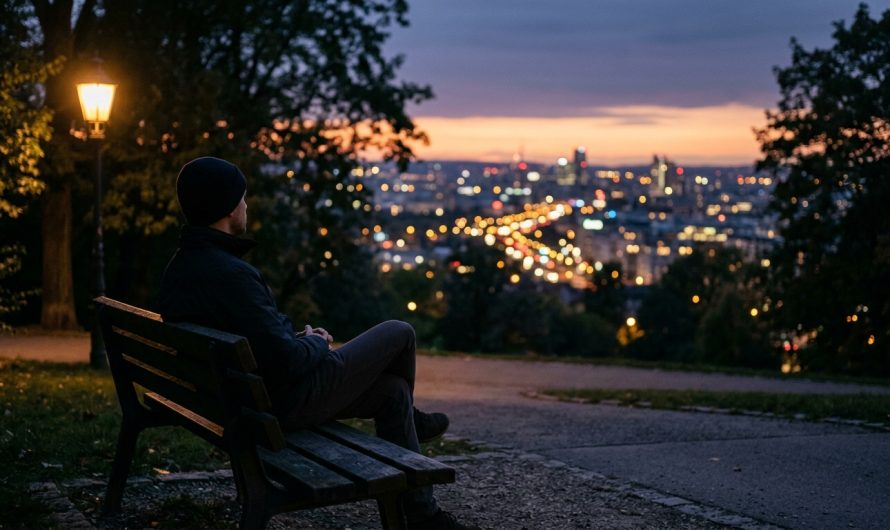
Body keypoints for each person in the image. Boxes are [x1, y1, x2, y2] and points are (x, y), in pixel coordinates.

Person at [156, 157, 478, 530]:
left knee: (392, 392)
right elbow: (287, 360)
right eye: (243, 199)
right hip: (281, 405)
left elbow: (256, 343)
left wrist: (296, 341)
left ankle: (422, 514)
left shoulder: (182, 267)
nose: (247, 206)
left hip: (243, 403)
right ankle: (417, 429)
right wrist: (317, 343)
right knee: (399, 332)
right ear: (229, 207)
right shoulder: (233, 275)